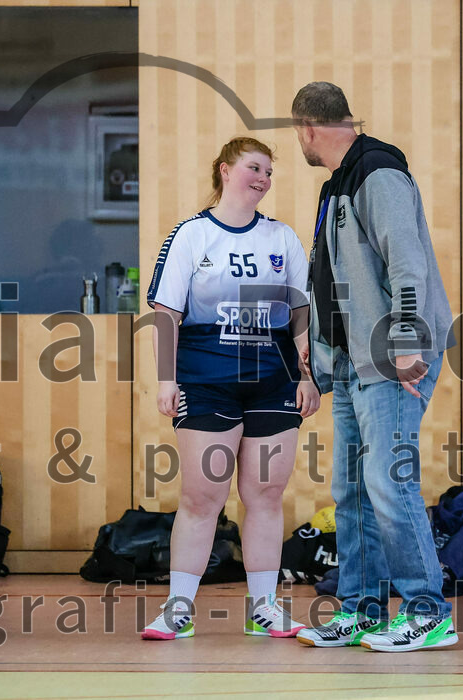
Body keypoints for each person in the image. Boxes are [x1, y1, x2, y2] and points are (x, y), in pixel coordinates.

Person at [289, 82, 458, 652]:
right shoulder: (335, 185)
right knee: (352, 489)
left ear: (308, 129)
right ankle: (362, 609)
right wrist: (319, 346)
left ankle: (427, 612)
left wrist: (406, 343)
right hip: (350, 364)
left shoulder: (376, 171)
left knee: (389, 483)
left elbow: (406, 263)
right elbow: (336, 278)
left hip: (391, 359)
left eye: (298, 135)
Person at [142, 137, 319, 640]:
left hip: (272, 382)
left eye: (269, 171)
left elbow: (300, 315)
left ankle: (264, 607)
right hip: (206, 381)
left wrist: (308, 376)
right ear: (225, 170)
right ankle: (179, 608)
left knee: (265, 493)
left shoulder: (282, 238)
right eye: (254, 168)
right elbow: (166, 315)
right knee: (203, 497)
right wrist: (165, 380)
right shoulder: (191, 236)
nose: (263, 178)